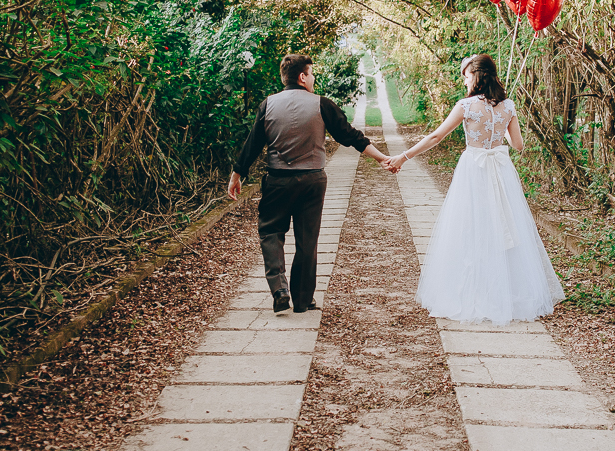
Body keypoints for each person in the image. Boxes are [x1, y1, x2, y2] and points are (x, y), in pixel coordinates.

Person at [385, 54, 564, 324]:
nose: (464, 80)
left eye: (467, 75)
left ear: (478, 76)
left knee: (470, 226)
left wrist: (403, 157)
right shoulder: (508, 106)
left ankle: (473, 293)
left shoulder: (466, 105)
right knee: (503, 225)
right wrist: (500, 126)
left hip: (475, 169)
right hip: (500, 170)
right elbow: (518, 145)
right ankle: (507, 294)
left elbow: (436, 136)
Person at [228, 54, 392, 313]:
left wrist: (237, 174)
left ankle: (279, 288)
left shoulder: (268, 105)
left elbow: (253, 143)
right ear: (302, 77)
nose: (314, 79)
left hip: (277, 181)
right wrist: (382, 158)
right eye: (311, 74)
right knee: (307, 239)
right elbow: (350, 136)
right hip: (313, 181)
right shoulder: (322, 104)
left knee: (270, 231)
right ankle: (303, 301)